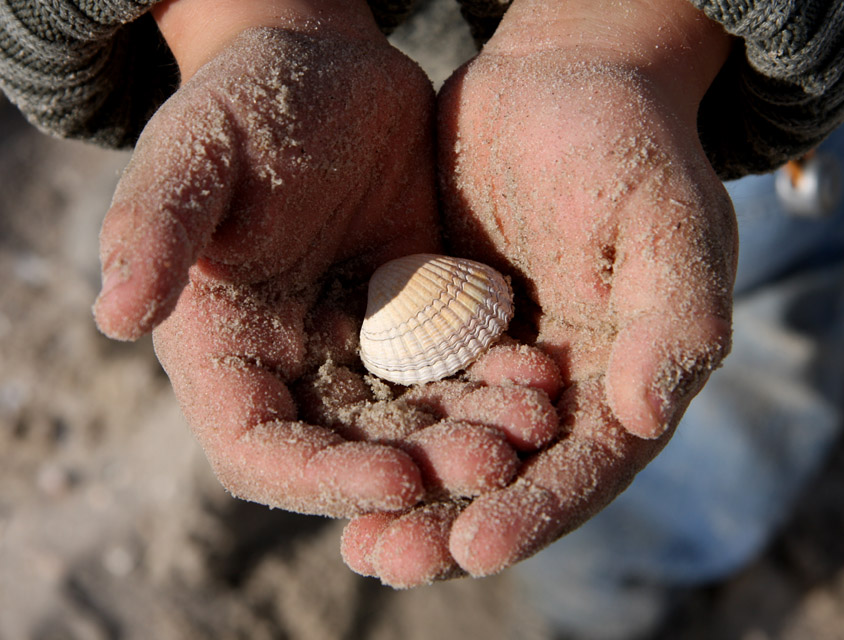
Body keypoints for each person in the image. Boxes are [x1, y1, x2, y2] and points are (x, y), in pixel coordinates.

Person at [1, 0, 841, 593]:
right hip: (341, 105)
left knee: (723, 388)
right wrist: (241, 19)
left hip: (707, 77)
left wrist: (632, 31)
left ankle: (626, 586)